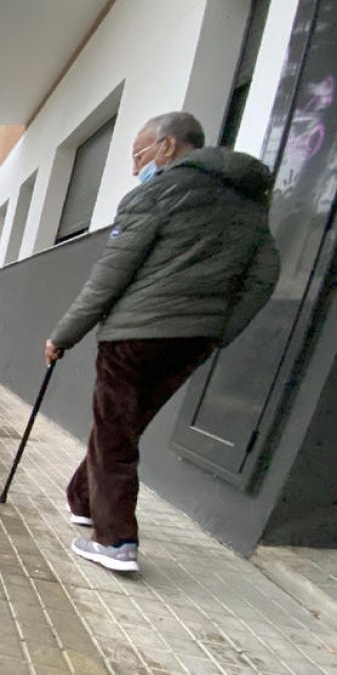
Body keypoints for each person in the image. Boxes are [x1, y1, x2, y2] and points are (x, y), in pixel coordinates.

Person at [45, 111, 280, 573]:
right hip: (192, 340)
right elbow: (264, 277)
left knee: (116, 432)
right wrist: (219, 331)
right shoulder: (248, 205)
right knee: (122, 426)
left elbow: (108, 277)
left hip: (135, 335)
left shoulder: (156, 194)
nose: (136, 170)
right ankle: (83, 499)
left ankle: (115, 542)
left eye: (139, 156)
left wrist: (63, 335)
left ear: (169, 147)